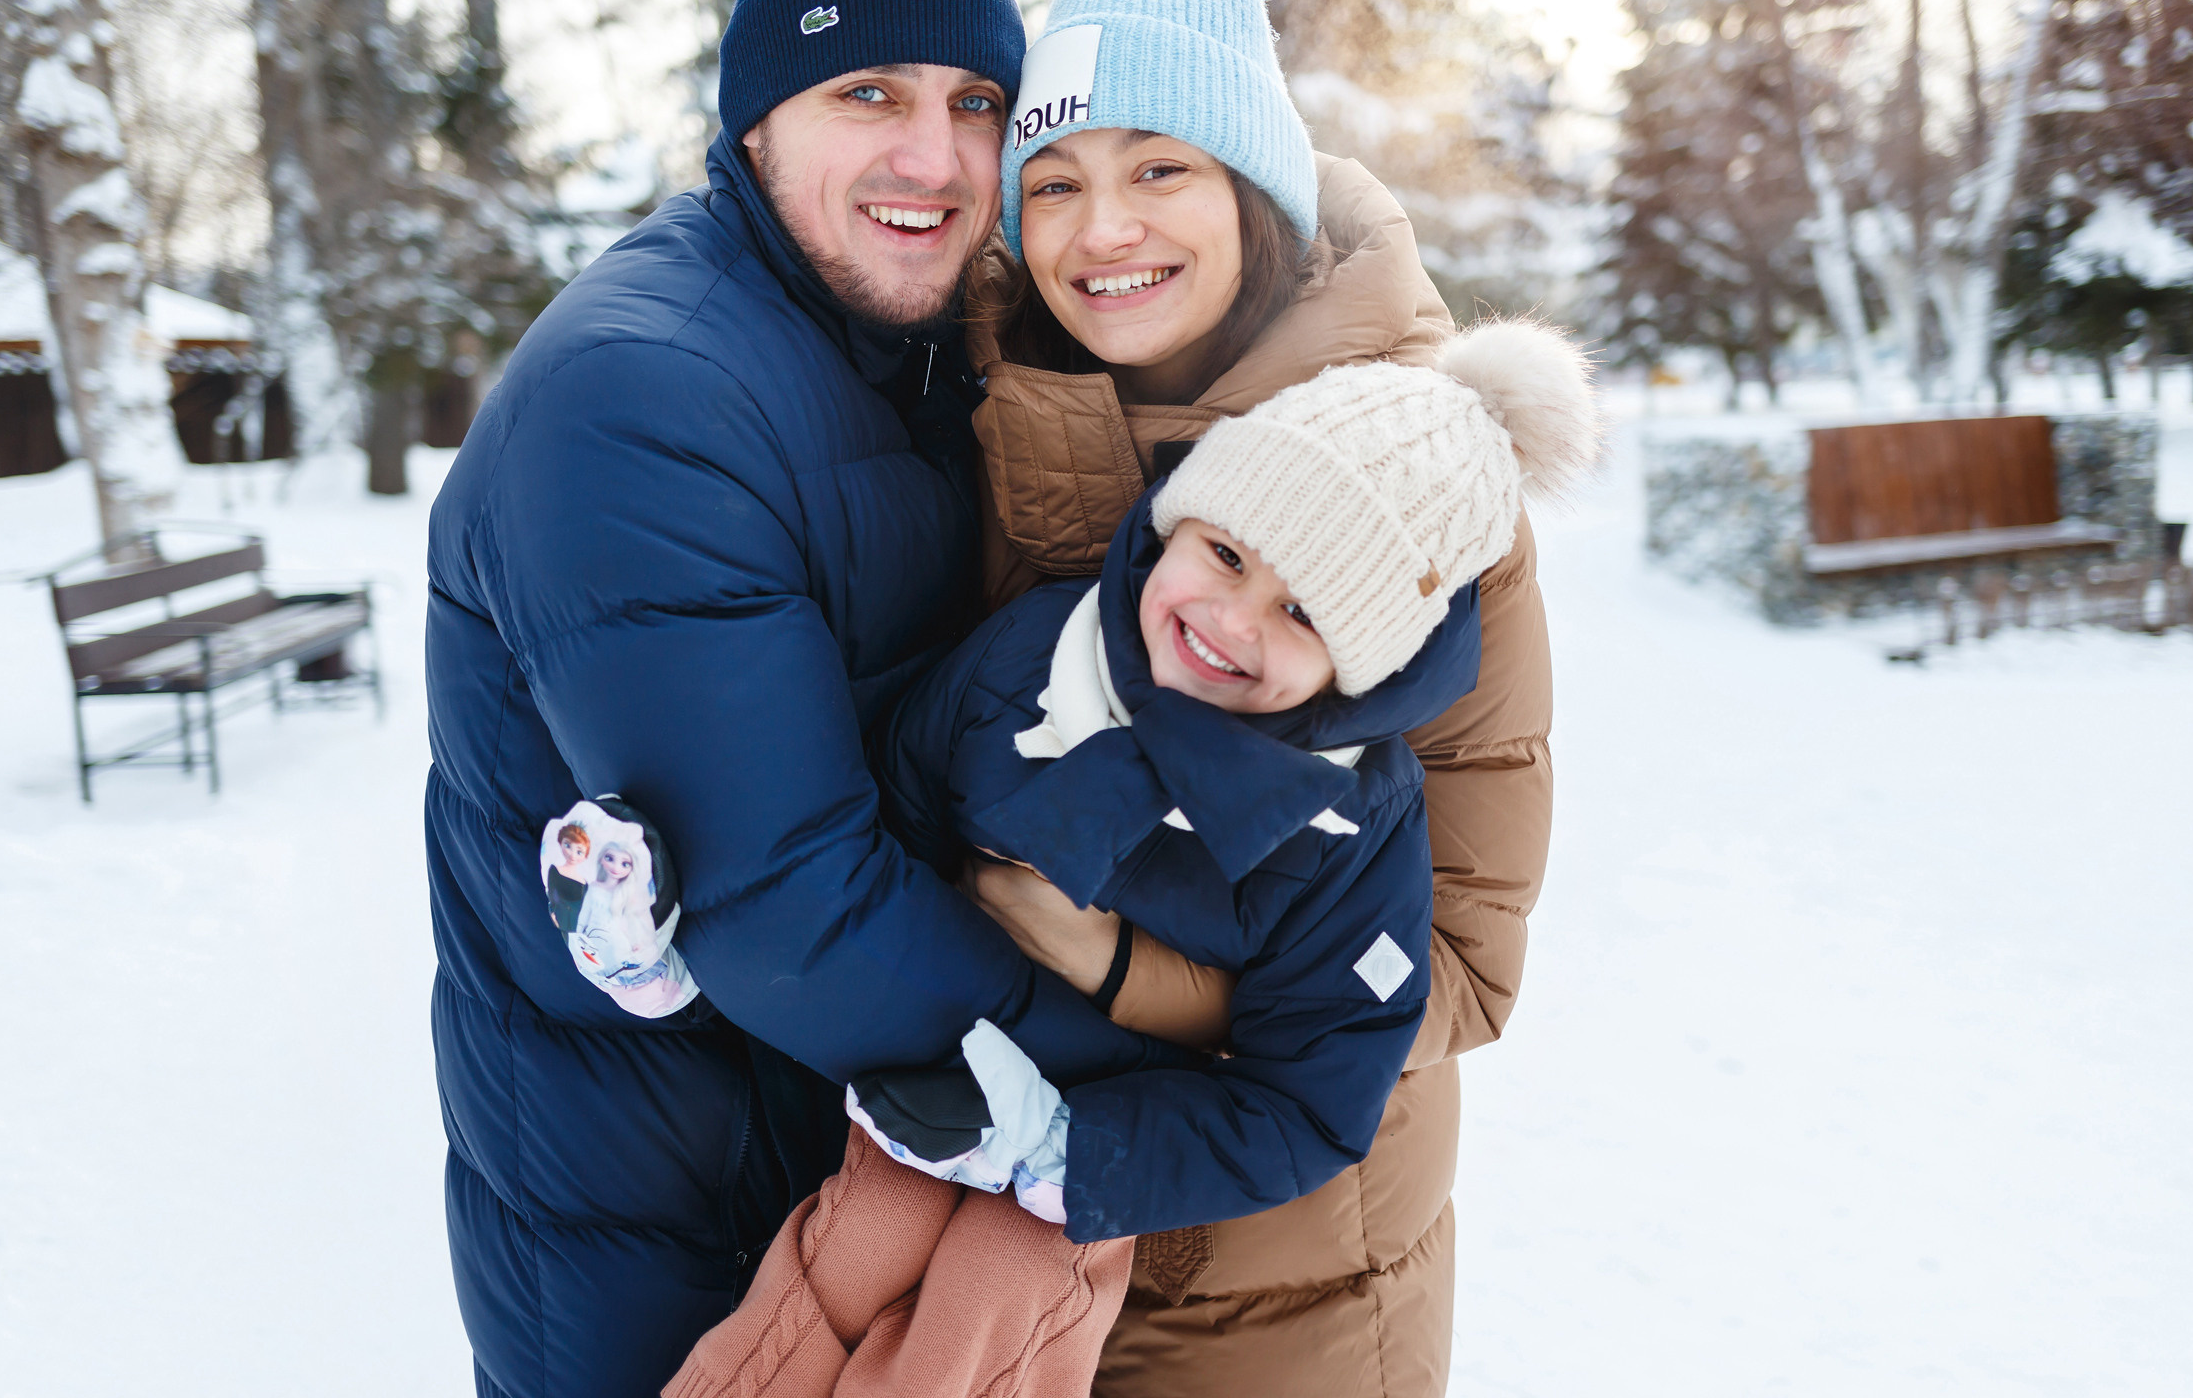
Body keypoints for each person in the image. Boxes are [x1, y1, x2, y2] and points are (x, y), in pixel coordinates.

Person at [424, 0, 1176, 1398]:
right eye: (867, 92)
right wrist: (1175, 1072)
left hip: (850, 1199)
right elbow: (787, 902)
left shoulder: (909, 354)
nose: (934, 155)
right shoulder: (640, 395)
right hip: (665, 1249)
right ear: (756, 117)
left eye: (977, 102)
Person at [664, 325, 1598, 1398]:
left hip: (1097, 1146)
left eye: (1304, 612)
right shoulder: (1032, 656)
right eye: (1226, 555)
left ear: (1364, 662)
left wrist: (1069, 1148)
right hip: (935, 1066)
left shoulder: (1352, 827)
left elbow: (1312, 1100)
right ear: (1176, 522)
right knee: (857, 1239)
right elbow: (885, 815)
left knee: (996, 1295)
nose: (1230, 620)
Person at [957, 0, 1568, 1396]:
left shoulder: (1417, 485)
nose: (1103, 228)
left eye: (1161, 168)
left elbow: (1464, 968)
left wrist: (1119, 968)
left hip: (1287, 1278)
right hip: (981, 1234)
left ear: (1254, 188)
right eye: (1055, 183)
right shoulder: (974, 416)